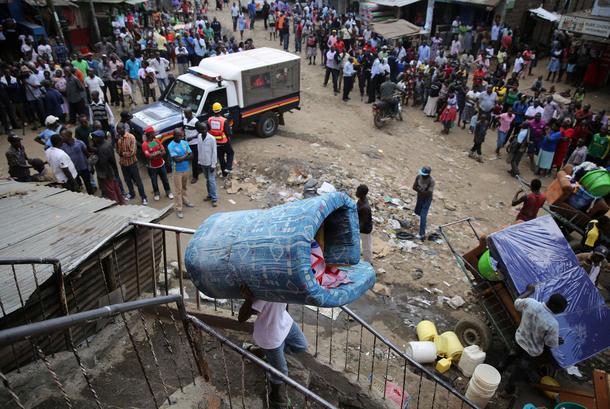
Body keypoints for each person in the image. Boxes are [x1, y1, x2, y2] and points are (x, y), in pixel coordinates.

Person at [238, 285, 308, 408]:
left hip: (284, 321)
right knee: (281, 372)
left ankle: (265, 353)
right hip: (269, 334)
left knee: (301, 345)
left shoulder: (284, 282)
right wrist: (248, 300)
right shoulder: (263, 290)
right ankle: (275, 395)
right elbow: (241, 318)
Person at [503, 284, 566, 395]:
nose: (561, 312)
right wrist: (557, 340)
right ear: (556, 308)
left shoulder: (531, 303)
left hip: (519, 340)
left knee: (510, 356)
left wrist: (528, 291)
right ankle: (507, 391)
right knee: (519, 371)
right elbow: (549, 343)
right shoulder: (552, 324)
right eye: (561, 310)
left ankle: (498, 370)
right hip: (531, 352)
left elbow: (517, 303)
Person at [116, 122, 148, 205]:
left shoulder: (131, 137)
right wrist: (120, 151)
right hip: (123, 164)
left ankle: (144, 197)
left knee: (138, 181)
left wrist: (122, 154)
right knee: (127, 180)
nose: (118, 131)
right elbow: (118, 151)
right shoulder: (119, 140)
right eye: (117, 129)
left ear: (124, 128)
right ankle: (132, 193)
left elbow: (132, 152)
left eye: (120, 129)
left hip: (132, 163)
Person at [90, 130, 125, 204]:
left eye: (95, 137)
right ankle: (121, 201)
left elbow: (103, 163)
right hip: (111, 171)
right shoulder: (107, 144)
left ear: (100, 138)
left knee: (110, 191)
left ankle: (116, 204)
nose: (93, 139)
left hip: (106, 173)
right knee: (116, 188)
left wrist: (104, 176)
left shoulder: (102, 148)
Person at [168, 129, 193, 219]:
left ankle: (185, 201)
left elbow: (192, 156)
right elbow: (176, 160)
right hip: (177, 171)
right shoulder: (171, 146)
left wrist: (183, 157)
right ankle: (179, 208)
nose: (181, 137)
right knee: (178, 190)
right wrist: (186, 155)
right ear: (174, 136)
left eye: (181, 136)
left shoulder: (184, 143)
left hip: (186, 168)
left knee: (184, 187)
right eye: (179, 136)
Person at [142, 129, 173, 201]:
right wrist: (158, 153)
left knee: (165, 180)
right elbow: (149, 156)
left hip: (161, 164)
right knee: (154, 181)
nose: (154, 134)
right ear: (149, 134)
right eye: (153, 133)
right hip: (152, 167)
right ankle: (156, 193)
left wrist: (155, 154)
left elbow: (164, 152)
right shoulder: (145, 144)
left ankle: (168, 191)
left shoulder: (156, 141)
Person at [60, 128, 93, 194]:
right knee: (77, 186)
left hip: (84, 168)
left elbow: (87, 154)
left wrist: (90, 166)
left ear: (69, 136)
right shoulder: (62, 146)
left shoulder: (80, 143)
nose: (61, 138)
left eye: (63, 136)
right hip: (73, 170)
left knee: (88, 185)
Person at [207, 102, 234, 183]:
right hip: (224, 141)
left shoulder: (210, 119)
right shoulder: (224, 120)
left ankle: (224, 173)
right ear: (220, 110)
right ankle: (228, 168)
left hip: (215, 142)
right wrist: (230, 129)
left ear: (213, 111)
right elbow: (229, 133)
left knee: (221, 157)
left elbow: (208, 129)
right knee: (231, 153)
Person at [196, 121, 218, 207]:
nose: (204, 130)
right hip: (203, 163)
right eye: (202, 129)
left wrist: (213, 164)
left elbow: (214, 152)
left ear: (207, 129)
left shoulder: (212, 138)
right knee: (207, 180)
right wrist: (199, 162)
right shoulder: (199, 137)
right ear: (199, 130)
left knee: (211, 181)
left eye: (205, 129)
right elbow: (199, 150)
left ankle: (214, 199)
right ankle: (209, 195)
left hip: (210, 163)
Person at [413, 166, 434, 241]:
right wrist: (422, 191)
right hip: (420, 196)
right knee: (417, 210)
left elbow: (428, 193)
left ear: (428, 174)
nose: (422, 175)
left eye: (424, 174)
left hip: (427, 199)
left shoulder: (431, 181)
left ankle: (422, 234)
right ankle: (420, 223)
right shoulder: (418, 177)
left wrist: (419, 189)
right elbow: (414, 187)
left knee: (423, 215)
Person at [183, 107, 200, 184]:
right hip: (187, 143)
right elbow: (184, 129)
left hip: (194, 143)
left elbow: (200, 133)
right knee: (192, 158)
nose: (185, 115)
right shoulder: (185, 119)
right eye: (184, 114)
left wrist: (192, 137)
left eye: (186, 114)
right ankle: (199, 169)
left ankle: (195, 177)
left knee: (194, 160)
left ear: (190, 113)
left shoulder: (196, 122)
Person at [356, 184, 373, 263]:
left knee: (366, 247)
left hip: (365, 229)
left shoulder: (365, 207)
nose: (356, 192)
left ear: (362, 193)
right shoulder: (361, 200)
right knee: (364, 245)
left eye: (358, 191)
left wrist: (356, 229)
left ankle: (368, 263)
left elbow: (364, 222)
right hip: (361, 227)